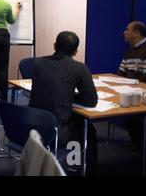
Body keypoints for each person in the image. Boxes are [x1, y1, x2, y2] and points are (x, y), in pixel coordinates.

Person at [28, 31, 98, 175]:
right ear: (76, 51)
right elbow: (91, 101)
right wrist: (71, 96)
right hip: (56, 133)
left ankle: (74, 165)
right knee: (88, 128)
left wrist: (66, 95)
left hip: (31, 126)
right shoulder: (79, 68)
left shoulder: (38, 63)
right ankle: (84, 169)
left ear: (54, 45)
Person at [117, 21, 146, 151]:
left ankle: (143, 146)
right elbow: (120, 73)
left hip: (143, 93)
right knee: (125, 113)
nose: (124, 32)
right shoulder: (129, 51)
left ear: (136, 33)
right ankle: (140, 143)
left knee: (129, 114)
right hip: (130, 91)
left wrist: (128, 90)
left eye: (127, 29)